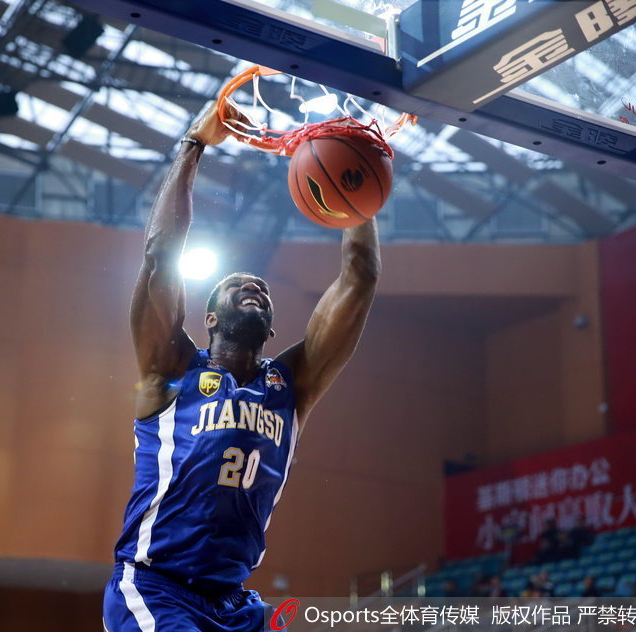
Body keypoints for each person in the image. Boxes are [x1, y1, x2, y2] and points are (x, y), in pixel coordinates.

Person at [102, 100, 382, 632]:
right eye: (236, 285)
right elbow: (160, 255)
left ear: (272, 329)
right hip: (157, 588)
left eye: (262, 289)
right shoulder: (170, 367)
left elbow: (360, 275)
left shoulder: (293, 384)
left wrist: (356, 188)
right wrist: (193, 144)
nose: (253, 285)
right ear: (208, 317)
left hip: (234, 603)